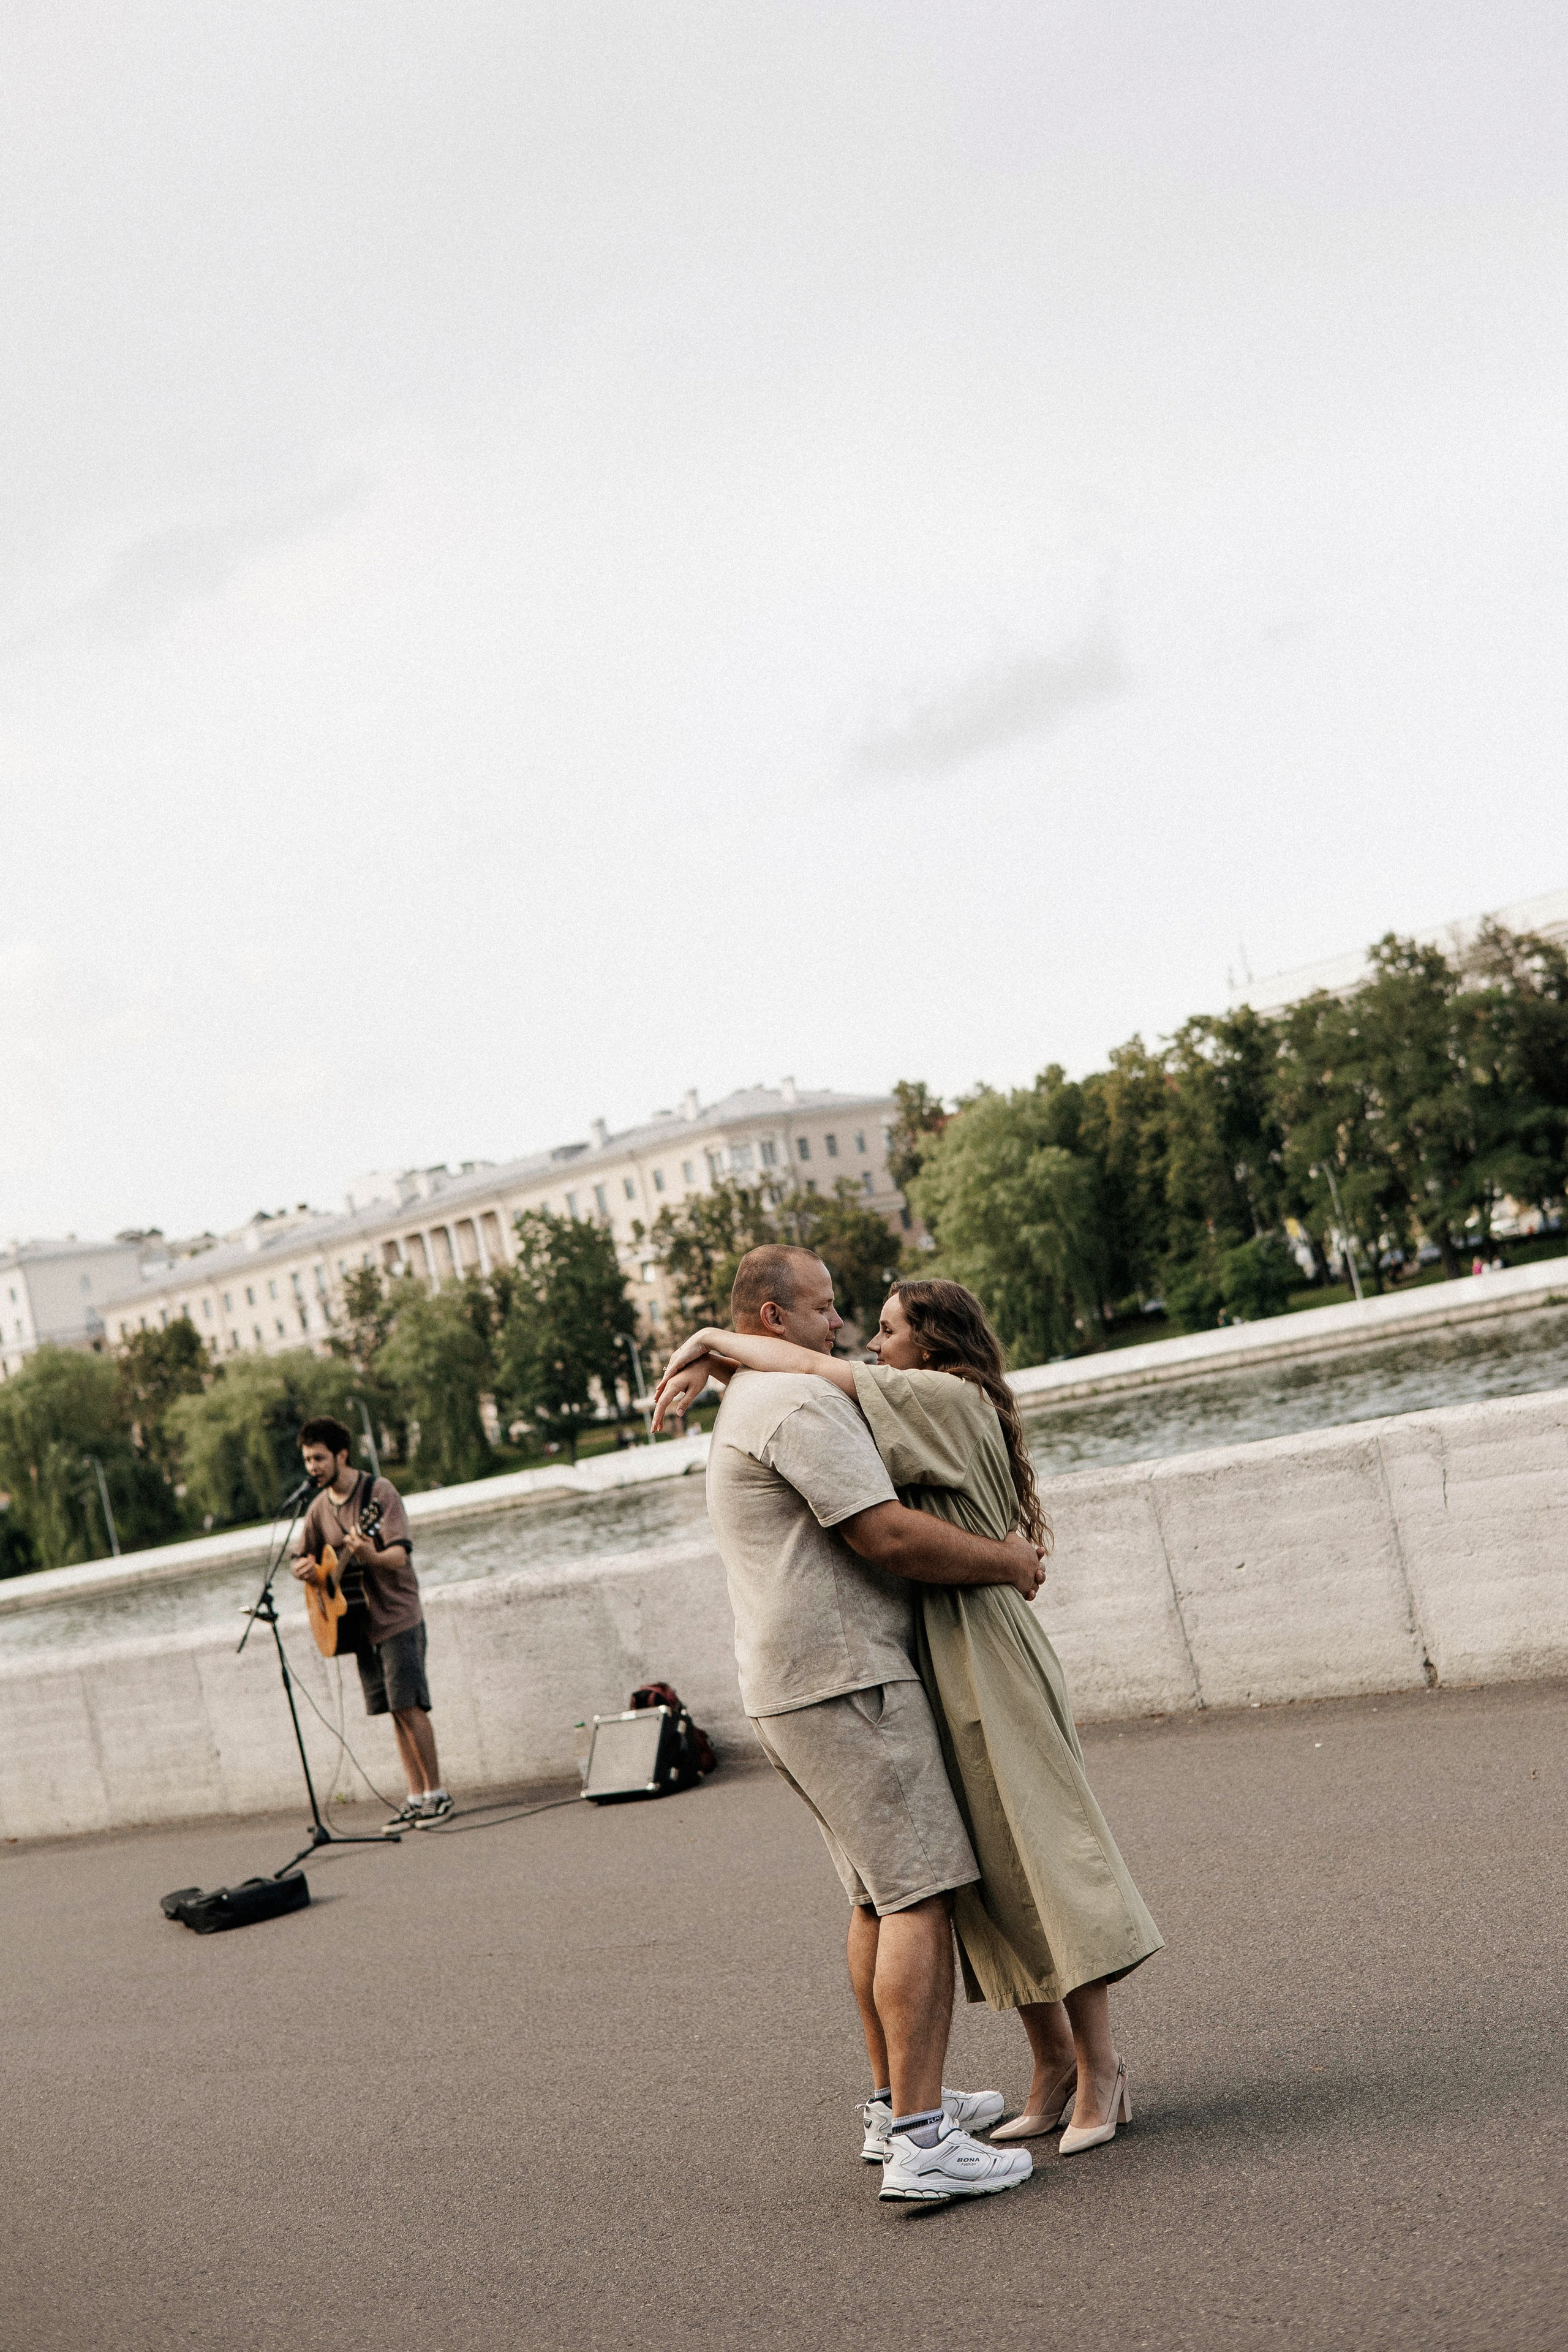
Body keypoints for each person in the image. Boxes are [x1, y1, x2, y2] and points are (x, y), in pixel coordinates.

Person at [656, 1275, 1164, 2157]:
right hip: (932, 1644)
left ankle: (1101, 2067)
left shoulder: (943, 1397)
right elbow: (823, 1393)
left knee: (1039, 1855)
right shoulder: (872, 1396)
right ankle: (1047, 2069)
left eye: (885, 1329)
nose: (859, 1337)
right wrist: (720, 1343)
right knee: (989, 1874)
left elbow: (816, 1368)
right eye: (842, 1313)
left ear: (930, 1346)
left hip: (981, 1645)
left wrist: (715, 1341)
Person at [684, 1243, 1046, 2205]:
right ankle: (923, 2144)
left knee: (875, 1900)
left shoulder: (748, 1400)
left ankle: (896, 2106)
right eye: (825, 1309)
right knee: (922, 1894)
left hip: (788, 1685)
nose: (839, 1326)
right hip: (847, 1684)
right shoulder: (792, 1405)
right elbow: (882, 1533)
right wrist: (1004, 1562)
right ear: (773, 1320)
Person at [290, 1415, 452, 1830]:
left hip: (397, 1615)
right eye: (308, 1460)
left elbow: (399, 1555)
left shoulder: (378, 1493)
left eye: (319, 1458)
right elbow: (299, 1557)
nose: (313, 1467)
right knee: (393, 1712)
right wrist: (305, 1569)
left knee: (410, 1705)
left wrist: (369, 1556)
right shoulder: (317, 1509)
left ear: (341, 1455)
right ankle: (415, 1797)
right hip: (358, 1626)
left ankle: (438, 1793)